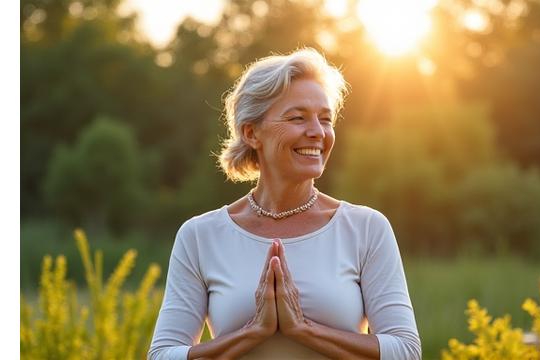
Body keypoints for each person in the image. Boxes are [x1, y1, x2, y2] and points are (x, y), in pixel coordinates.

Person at [148, 48, 421, 360]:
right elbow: (162, 355)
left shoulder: (366, 228)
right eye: (297, 118)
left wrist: (303, 329)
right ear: (251, 132)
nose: (317, 132)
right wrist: (254, 331)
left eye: (325, 119)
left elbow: (406, 351)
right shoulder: (199, 235)